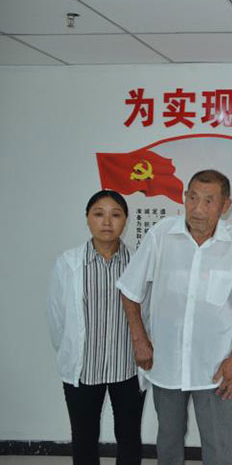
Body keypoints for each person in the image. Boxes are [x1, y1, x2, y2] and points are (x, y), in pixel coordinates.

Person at [118, 170, 232, 465]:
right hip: (166, 361)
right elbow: (129, 290)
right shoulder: (161, 235)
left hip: (215, 365)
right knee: (168, 441)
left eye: (209, 201)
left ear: (225, 206)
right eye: (193, 198)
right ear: (184, 198)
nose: (198, 209)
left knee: (219, 443)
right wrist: (139, 339)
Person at [47, 190, 145, 465]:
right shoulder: (68, 263)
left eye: (116, 215)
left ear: (125, 220)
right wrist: (68, 351)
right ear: (87, 218)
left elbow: (148, 314)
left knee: (129, 437)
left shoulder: (138, 262)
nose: (107, 222)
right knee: (84, 437)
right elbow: (56, 316)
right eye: (99, 214)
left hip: (127, 367)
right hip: (83, 369)